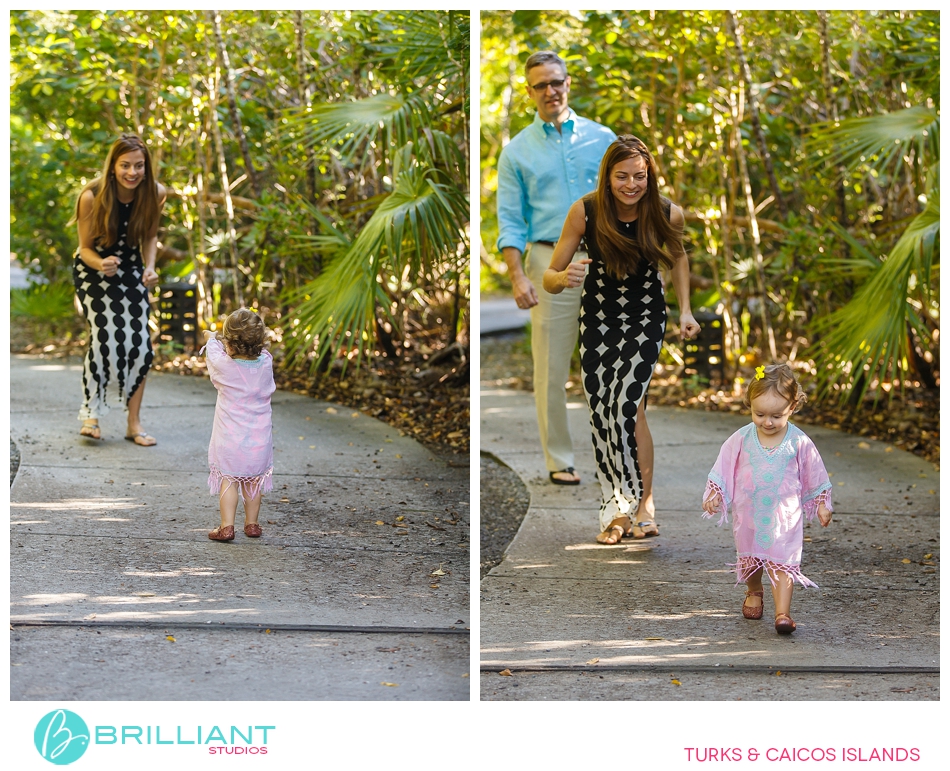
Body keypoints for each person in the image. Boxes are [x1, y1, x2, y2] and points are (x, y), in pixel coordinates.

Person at [543, 135, 700, 541]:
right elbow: (549, 276)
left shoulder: (667, 212)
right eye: (622, 177)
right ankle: (617, 508)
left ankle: (643, 503)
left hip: (646, 318)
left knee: (629, 406)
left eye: (640, 177)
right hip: (597, 319)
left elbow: (679, 256)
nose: (632, 185)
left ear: (650, 176)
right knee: (602, 412)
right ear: (607, 176)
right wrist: (564, 277)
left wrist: (684, 310)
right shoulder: (586, 211)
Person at [496, 51, 616, 486]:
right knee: (550, 365)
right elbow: (510, 219)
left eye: (556, 82)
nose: (550, 91)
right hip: (550, 257)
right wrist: (518, 276)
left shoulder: (603, 138)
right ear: (530, 92)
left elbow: (629, 197)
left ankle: (614, 453)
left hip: (607, 256)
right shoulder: (515, 152)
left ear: (568, 83)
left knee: (609, 361)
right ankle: (559, 460)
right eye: (540, 85)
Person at [702, 363, 834, 634]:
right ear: (749, 405)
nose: (767, 422)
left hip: (785, 517)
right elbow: (724, 465)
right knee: (750, 559)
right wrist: (716, 493)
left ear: (793, 407)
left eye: (776, 415)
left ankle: (783, 613)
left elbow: (814, 472)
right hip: (748, 512)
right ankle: (753, 591)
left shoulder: (799, 441)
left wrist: (821, 503)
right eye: (759, 413)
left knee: (782, 561)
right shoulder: (741, 438)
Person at [71, 133, 165, 445]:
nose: (132, 172)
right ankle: (91, 414)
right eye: (125, 165)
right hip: (92, 268)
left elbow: (150, 236)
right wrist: (101, 264)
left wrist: (150, 267)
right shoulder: (92, 195)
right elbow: (84, 248)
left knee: (140, 344)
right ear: (113, 166)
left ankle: (133, 424)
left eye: (139, 165)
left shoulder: (155, 193)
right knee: (104, 335)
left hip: (131, 268)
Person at [202, 309, 276, 542]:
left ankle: (226, 527)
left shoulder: (226, 367)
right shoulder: (265, 363)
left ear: (230, 345)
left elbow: (213, 354)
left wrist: (212, 338)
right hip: (259, 439)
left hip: (230, 439)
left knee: (230, 479)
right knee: (254, 480)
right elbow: (259, 351)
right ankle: (252, 524)